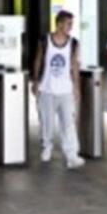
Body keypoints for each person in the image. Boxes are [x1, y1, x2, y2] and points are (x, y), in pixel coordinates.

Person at [32, 10, 85, 170]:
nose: (71, 27)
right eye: (68, 24)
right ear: (59, 24)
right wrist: (35, 81)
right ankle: (47, 146)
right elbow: (38, 60)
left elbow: (75, 65)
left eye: (71, 24)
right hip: (46, 89)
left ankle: (72, 155)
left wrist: (76, 87)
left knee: (68, 124)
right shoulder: (45, 40)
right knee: (46, 122)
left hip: (66, 90)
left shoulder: (73, 43)